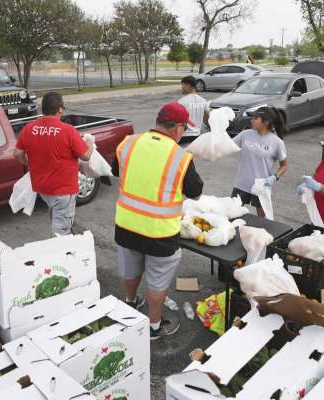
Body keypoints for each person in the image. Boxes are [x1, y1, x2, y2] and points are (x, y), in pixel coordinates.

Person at [113, 102, 203, 340]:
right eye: (184, 129)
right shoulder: (181, 157)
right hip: (159, 234)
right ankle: (154, 327)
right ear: (177, 128)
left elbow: (115, 171)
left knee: (131, 270)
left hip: (126, 226)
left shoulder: (128, 143)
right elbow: (195, 192)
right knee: (157, 282)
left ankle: (130, 303)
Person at [14, 92, 94, 236]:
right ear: (60, 109)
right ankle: (61, 253)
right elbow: (86, 156)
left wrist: (29, 164)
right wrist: (90, 143)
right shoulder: (68, 131)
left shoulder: (29, 128)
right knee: (61, 231)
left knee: (56, 215)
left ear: (42, 109)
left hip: (42, 188)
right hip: (63, 190)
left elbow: (17, 153)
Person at [231, 106, 288, 217]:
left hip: (261, 186)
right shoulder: (245, 134)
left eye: (255, 118)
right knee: (232, 215)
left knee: (262, 221)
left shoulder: (277, 142)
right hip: (241, 184)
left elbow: (284, 165)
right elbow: (228, 145)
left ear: (266, 122)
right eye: (252, 118)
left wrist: (275, 177)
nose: (252, 120)